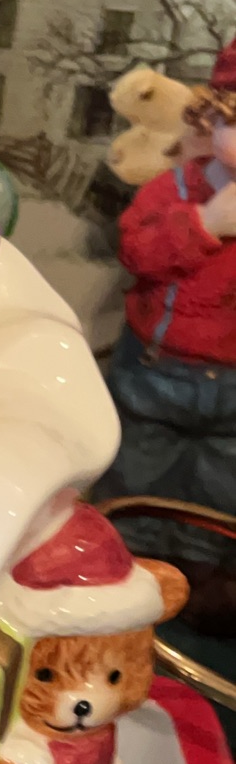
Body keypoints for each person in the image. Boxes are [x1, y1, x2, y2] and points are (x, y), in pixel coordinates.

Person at [96, 59, 236, 626]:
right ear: (210, 119)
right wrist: (206, 223)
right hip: (158, 376)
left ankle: (193, 588)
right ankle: (124, 568)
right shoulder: (174, 188)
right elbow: (138, 251)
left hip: (232, 397)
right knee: (136, 472)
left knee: (217, 492)